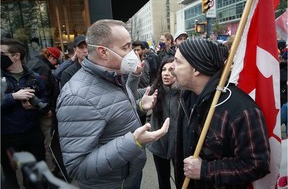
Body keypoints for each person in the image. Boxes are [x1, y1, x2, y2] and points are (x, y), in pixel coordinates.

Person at [56, 19, 170, 189]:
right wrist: (133, 142)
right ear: (103, 52)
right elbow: (77, 167)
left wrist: (139, 105)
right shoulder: (77, 96)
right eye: (125, 47)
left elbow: (110, 113)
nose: (132, 53)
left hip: (129, 177)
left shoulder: (114, 76)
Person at [172, 39, 270, 188]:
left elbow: (257, 164)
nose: (172, 67)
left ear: (196, 69)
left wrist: (205, 170)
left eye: (177, 62)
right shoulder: (187, 98)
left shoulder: (242, 110)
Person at [1, 38, 47, 189]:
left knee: (35, 178)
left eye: (2, 53)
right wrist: (13, 97)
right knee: (10, 179)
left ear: (16, 56)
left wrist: (34, 107)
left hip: (32, 134)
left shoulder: (35, 77)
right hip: (6, 136)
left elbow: (45, 101)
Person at [146, 57, 180, 189]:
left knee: (181, 182)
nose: (166, 73)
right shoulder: (154, 90)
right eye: (163, 69)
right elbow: (132, 95)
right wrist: (135, 75)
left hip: (178, 149)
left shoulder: (186, 93)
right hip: (159, 147)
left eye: (171, 70)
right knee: (163, 182)